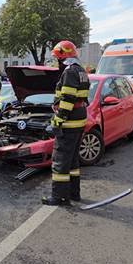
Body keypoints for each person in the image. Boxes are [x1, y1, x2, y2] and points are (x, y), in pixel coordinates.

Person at [43, 40, 90, 206]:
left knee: (60, 160)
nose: (57, 61)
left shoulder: (69, 72)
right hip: (79, 120)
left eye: (57, 58)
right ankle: (73, 193)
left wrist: (58, 120)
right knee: (72, 161)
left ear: (64, 56)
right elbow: (83, 98)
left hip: (69, 122)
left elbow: (68, 98)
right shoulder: (81, 71)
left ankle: (59, 197)